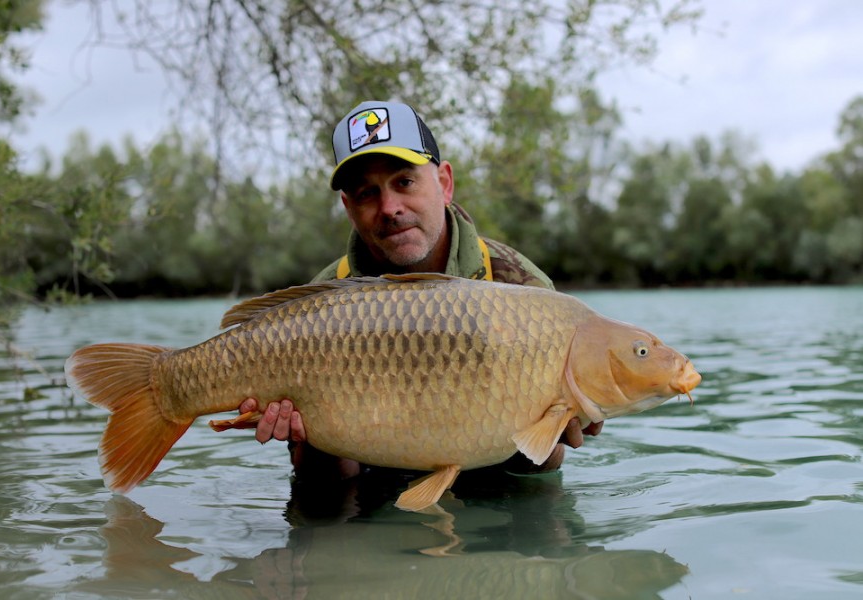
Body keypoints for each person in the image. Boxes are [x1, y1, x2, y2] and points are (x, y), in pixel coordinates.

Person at [236, 100, 602, 483]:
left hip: (494, 488)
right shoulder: (322, 299)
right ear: (348, 207)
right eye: (366, 193)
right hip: (371, 497)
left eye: (404, 182)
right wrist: (308, 440)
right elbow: (330, 481)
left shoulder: (518, 286)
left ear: (444, 183)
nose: (389, 207)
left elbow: (543, 468)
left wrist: (555, 430)